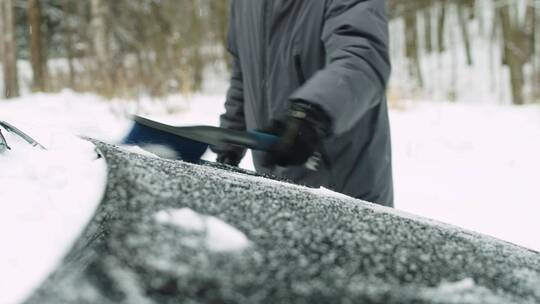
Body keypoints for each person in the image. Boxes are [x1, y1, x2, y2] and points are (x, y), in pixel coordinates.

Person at [212, 0, 394, 207]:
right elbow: (243, 73)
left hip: (346, 193)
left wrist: (311, 115)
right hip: (273, 188)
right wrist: (229, 145)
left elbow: (363, 57)